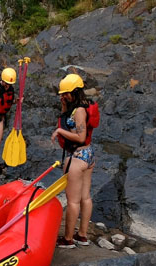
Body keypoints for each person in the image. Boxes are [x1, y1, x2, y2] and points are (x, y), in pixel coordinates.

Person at [50, 74, 95, 248]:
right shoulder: (81, 106)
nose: (65, 96)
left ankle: (68, 239)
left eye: (67, 93)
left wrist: (60, 132)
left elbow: (80, 136)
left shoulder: (80, 111)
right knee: (85, 197)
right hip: (88, 154)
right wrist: (63, 106)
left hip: (77, 156)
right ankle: (82, 235)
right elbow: (65, 121)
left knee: (73, 201)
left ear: (76, 91)